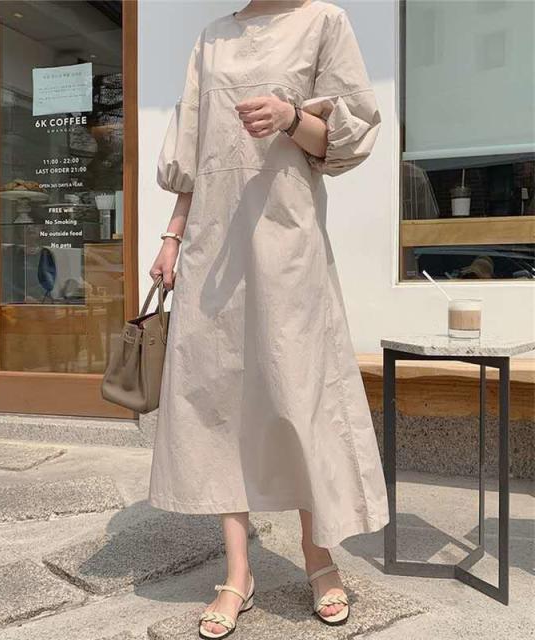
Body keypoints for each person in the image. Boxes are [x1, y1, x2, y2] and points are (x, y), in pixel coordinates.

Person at [148, 1, 389, 637]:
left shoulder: (324, 22)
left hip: (287, 240)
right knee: (219, 402)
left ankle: (319, 559)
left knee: (300, 395)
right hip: (213, 248)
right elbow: (194, 149)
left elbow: (347, 139)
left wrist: (292, 118)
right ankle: (238, 573)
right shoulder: (212, 38)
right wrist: (172, 236)